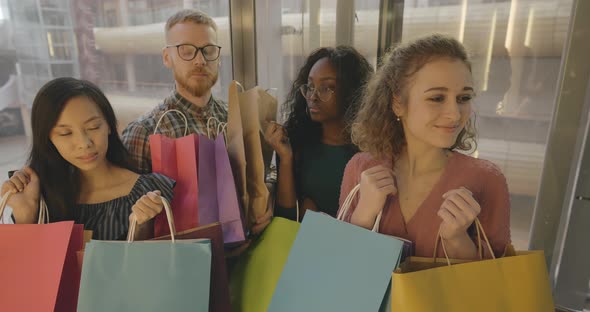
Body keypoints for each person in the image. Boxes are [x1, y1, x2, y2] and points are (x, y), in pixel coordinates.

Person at [339, 34, 510, 259]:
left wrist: (458, 240)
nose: (454, 114)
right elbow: (340, 264)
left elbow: (496, 282)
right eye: (437, 98)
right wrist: (362, 217)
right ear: (398, 103)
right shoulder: (361, 168)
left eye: (463, 98)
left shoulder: (487, 180)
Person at [0, 77, 174, 240]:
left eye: (93, 127)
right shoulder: (41, 195)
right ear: (48, 139)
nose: (84, 143)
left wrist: (141, 230)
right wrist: (25, 214)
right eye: (65, 133)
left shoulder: (150, 192)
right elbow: (30, 267)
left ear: (109, 126)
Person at [265, 46, 373, 219]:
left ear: (351, 93)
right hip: (301, 242)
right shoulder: (297, 142)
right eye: (310, 86)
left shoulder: (370, 151)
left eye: (325, 88)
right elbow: (286, 219)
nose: (312, 96)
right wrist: (286, 158)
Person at [122, 9, 226, 174]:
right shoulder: (145, 133)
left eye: (209, 50)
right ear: (166, 57)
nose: (200, 60)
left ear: (218, 57)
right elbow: (130, 198)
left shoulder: (234, 118)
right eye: (186, 51)